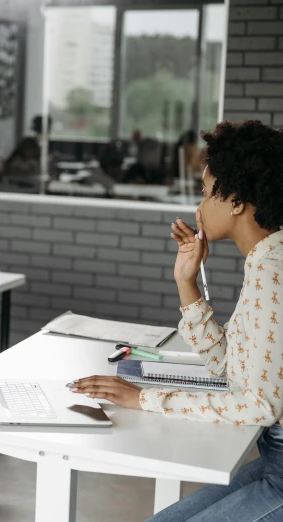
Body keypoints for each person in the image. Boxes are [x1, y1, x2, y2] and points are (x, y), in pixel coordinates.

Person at [69, 120, 283, 521]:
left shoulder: (274, 275)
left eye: (204, 193)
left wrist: (143, 398)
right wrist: (187, 282)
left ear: (235, 199)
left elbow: (260, 406)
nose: (198, 209)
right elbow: (226, 365)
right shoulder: (266, 263)